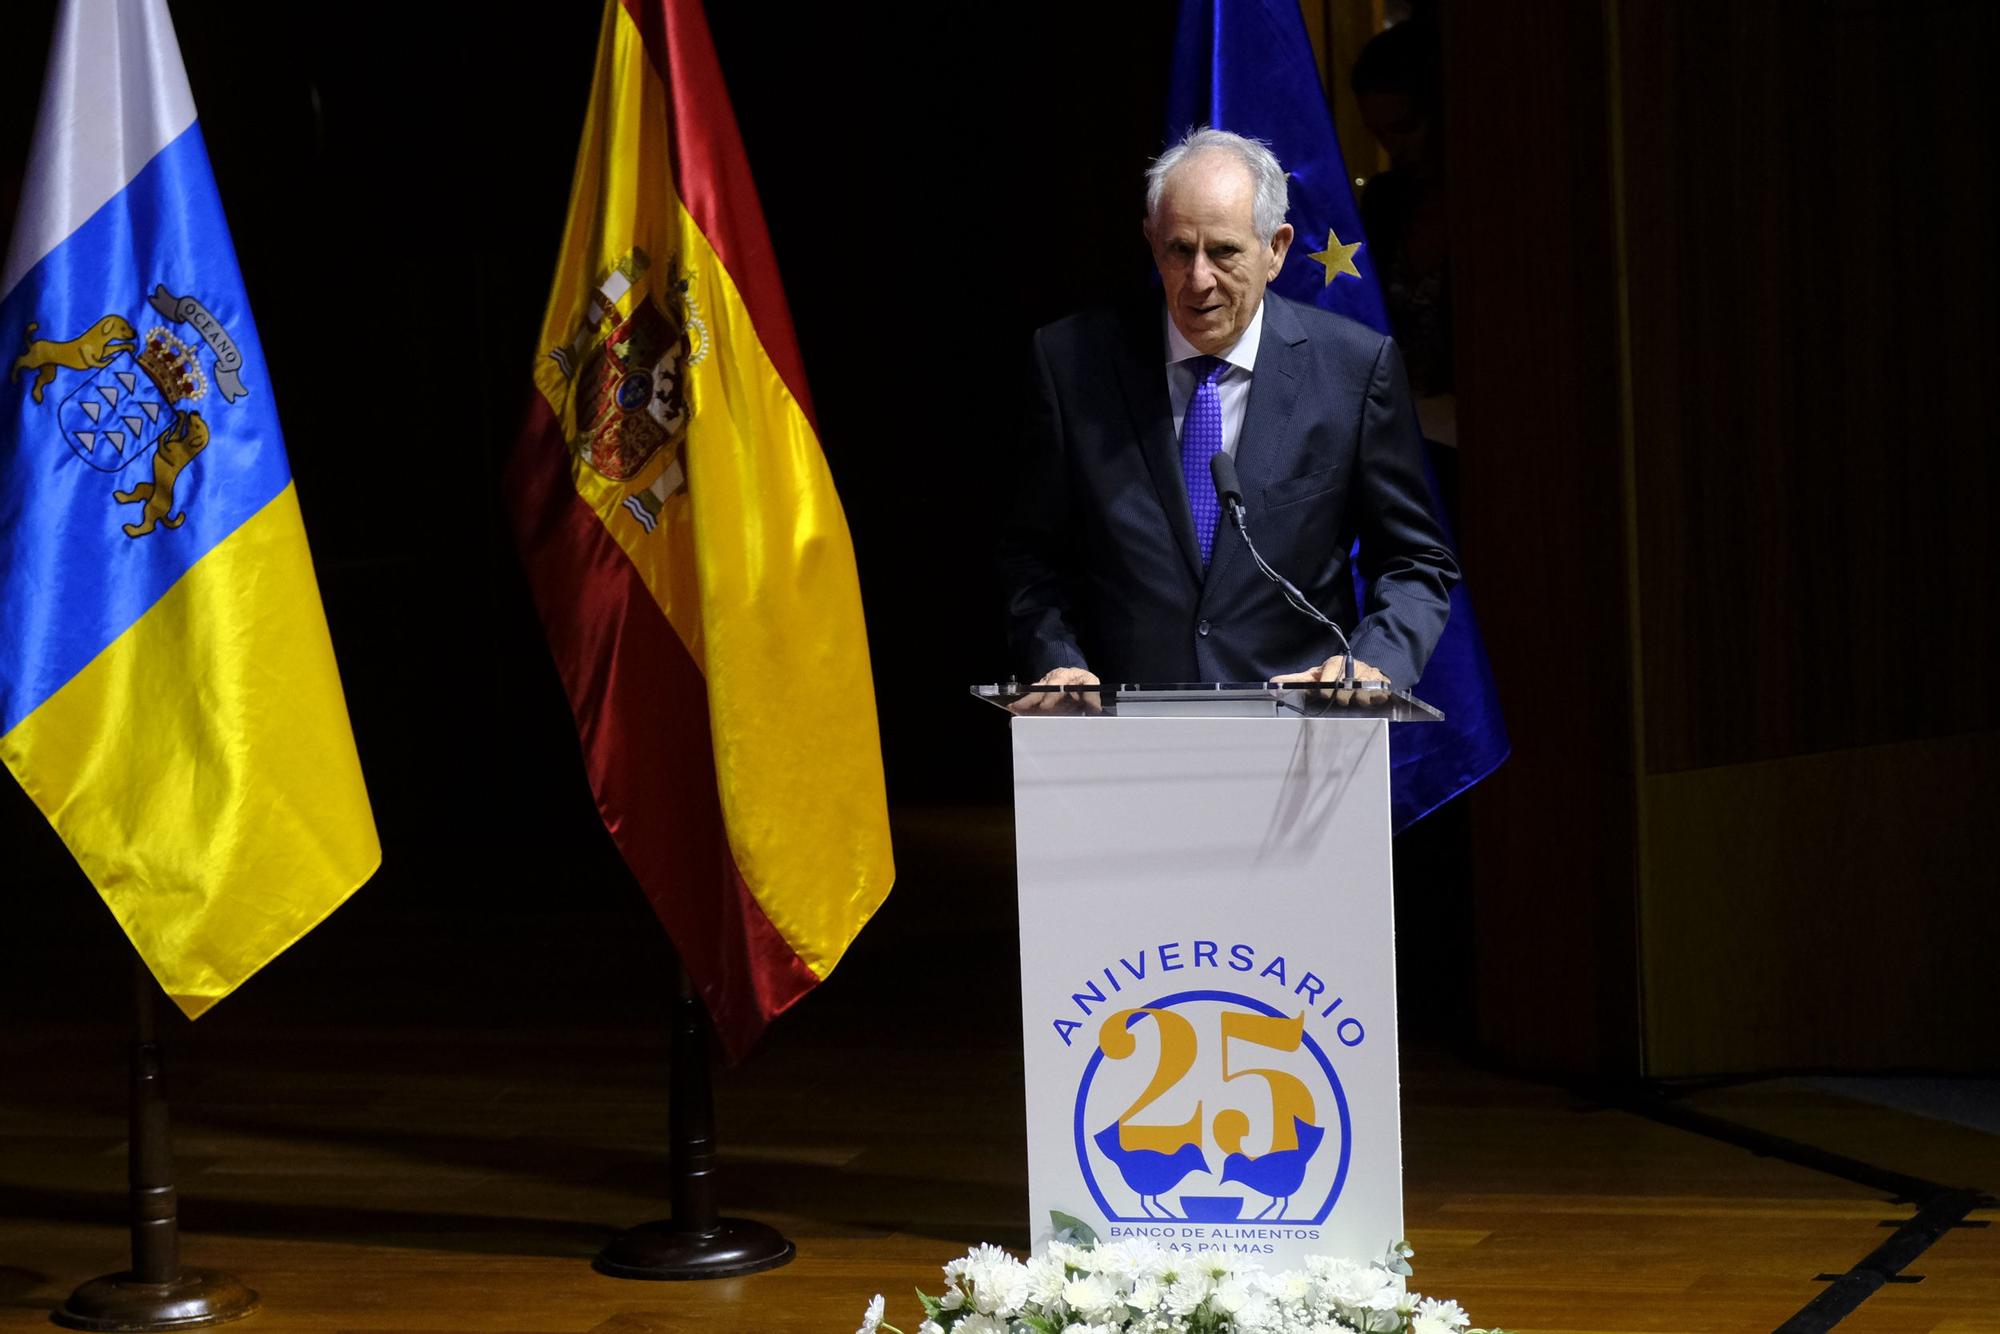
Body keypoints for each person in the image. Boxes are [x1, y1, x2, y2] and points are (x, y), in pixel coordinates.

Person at [999, 128, 1457, 704]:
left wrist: (1371, 663)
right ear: (1151, 241)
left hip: (1300, 732)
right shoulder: (1072, 366)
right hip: (1121, 736)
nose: (1198, 281)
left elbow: (1416, 559)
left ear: (1277, 249)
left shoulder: (1354, 371)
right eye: (1178, 250)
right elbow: (1033, 557)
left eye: (1224, 251)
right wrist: (1057, 659)